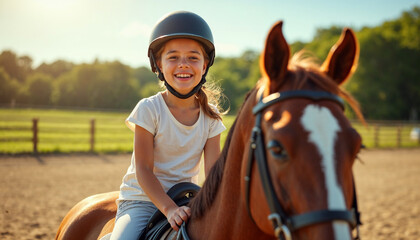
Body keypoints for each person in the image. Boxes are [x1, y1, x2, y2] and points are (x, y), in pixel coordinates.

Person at [109, 11, 226, 240]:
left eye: (193, 57)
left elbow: (214, 174)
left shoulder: (212, 118)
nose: (183, 64)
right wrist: (169, 209)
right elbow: (143, 170)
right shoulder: (149, 109)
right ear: (159, 65)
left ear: (204, 66)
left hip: (187, 200)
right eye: (173, 57)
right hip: (141, 201)